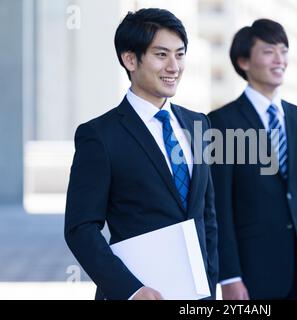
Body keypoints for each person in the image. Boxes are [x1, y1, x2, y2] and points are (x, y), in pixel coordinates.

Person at [64, 8, 218, 300]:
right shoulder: (99, 135)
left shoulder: (199, 124)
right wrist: (130, 290)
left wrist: (210, 285)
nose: (174, 66)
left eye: (180, 54)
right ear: (130, 59)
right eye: (161, 55)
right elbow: (80, 228)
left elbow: (207, 217)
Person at [208, 18, 297, 300]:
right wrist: (229, 275)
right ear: (244, 62)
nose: (280, 60)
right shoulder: (221, 123)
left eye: (284, 51)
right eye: (268, 51)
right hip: (251, 274)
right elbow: (220, 208)